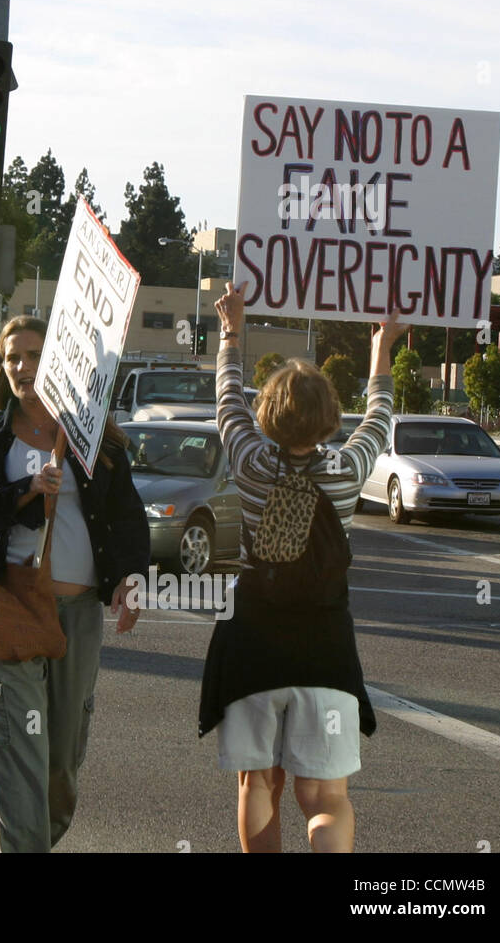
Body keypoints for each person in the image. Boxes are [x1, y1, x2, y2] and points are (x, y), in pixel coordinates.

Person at [201, 282, 405, 852]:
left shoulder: (247, 456)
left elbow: (226, 399)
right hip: (325, 650)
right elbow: (380, 416)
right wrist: (381, 347)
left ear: (268, 415)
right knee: (327, 799)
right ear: (329, 418)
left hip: (252, 644)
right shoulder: (345, 471)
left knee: (258, 784)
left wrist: (233, 330)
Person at [0, 315, 149, 852]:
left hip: (78, 614)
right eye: (12, 357)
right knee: (21, 758)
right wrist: (27, 488)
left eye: (36, 355)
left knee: (59, 770)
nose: (23, 367)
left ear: (60, 362)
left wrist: (131, 577)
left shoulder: (93, 435)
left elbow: (128, 517)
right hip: (7, 609)